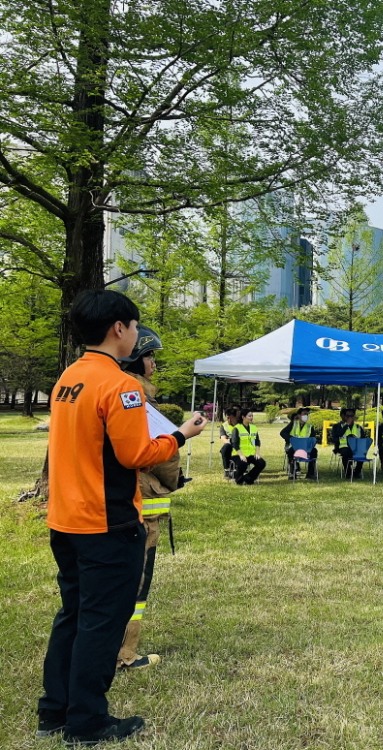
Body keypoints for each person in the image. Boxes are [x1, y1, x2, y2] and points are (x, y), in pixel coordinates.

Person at [37, 289, 206, 744]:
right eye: (134, 327)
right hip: (107, 522)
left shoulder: (69, 378)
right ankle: (87, 722)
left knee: (72, 614)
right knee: (101, 622)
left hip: (66, 518)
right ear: (119, 329)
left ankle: (54, 709)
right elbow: (137, 453)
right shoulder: (121, 385)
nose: (136, 336)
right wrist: (181, 437)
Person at [115, 325, 181, 674]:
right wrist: (174, 478)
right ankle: (126, 653)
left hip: (112, 504)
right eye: (150, 356)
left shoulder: (108, 387)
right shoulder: (136, 394)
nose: (154, 363)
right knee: (138, 581)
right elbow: (162, 453)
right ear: (135, 360)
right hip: (142, 506)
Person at [279, 407, 319, 479]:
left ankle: (311, 473)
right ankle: (292, 473)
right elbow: (282, 433)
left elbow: (313, 439)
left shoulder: (310, 427)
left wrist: (310, 445)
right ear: (299, 415)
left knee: (314, 451)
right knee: (290, 451)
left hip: (306, 448)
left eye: (307, 414)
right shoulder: (293, 424)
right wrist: (291, 439)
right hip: (295, 447)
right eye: (304, 414)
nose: (306, 416)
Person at [231, 408, 266, 485]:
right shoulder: (237, 428)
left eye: (252, 416)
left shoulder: (254, 427)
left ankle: (248, 478)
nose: (251, 417)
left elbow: (257, 441)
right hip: (238, 454)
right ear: (243, 417)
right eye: (249, 416)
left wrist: (257, 453)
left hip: (251, 453)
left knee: (261, 463)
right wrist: (241, 455)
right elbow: (235, 443)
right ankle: (238, 479)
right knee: (243, 464)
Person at [333, 408, 362, 478]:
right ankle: (348, 472)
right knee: (345, 453)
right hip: (343, 447)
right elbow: (337, 435)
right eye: (348, 416)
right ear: (344, 416)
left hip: (355, 447)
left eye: (352, 416)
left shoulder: (358, 427)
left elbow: (363, 439)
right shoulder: (338, 426)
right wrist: (346, 425)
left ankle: (357, 472)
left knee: (361, 453)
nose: (350, 418)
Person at [219, 406, 240, 476]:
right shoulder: (224, 425)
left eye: (230, 417)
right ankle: (227, 470)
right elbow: (223, 438)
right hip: (230, 443)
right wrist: (230, 442)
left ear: (235, 416)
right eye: (227, 417)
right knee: (225, 448)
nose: (228, 419)